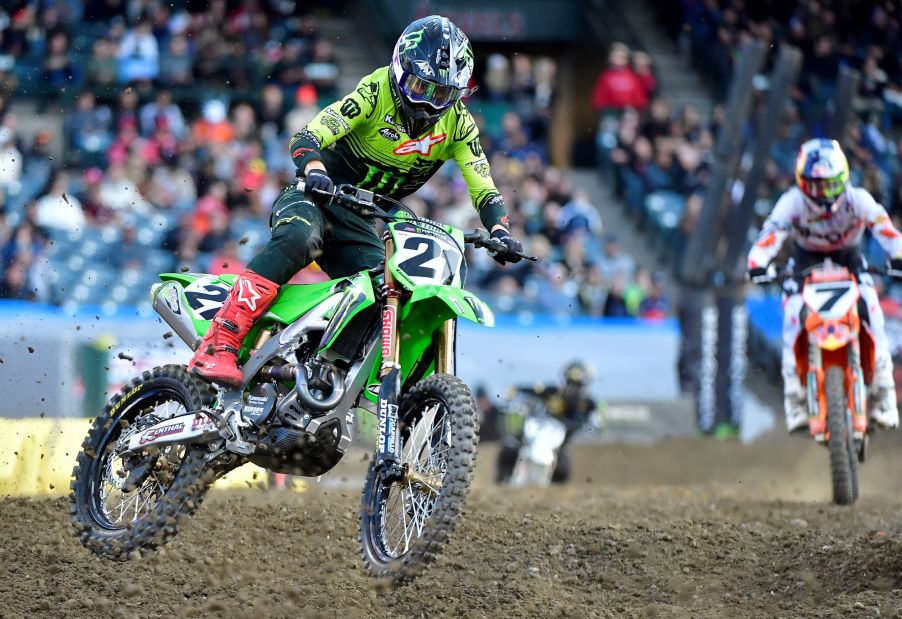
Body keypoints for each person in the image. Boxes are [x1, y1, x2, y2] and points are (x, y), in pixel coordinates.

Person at [190, 15, 524, 386]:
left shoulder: (459, 125)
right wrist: (316, 172)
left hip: (359, 218)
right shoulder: (376, 90)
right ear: (399, 72)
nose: (428, 106)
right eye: (419, 87)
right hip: (314, 196)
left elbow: (484, 186)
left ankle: (324, 374)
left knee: (385, 289)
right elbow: (307, 136)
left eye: (442, 95)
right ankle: (220, 342)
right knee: (300, 238)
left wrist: (500, 230)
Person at [747, 138, 902, 433]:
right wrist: (757, 262)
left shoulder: (859, 199)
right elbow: (771, 234)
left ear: (844, 178)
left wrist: (898, 255)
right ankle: (794, 399)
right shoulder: (791, 202)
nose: (825, 194)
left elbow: (886, 229)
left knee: (872, 311)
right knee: (792, 317)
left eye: (831, 185)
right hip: (805, 260)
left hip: (850, 258)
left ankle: (884, 395)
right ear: (802, 183)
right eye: (817, 186)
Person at [496, 361, 600, 483]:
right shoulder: (553, 392)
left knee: (563, 468)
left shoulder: (588, 404)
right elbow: (531, 390)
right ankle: (502, 480)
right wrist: (514, 390)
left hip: (559, 443)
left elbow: (584, 424)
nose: (573, 388)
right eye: (570, 383)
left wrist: (564, 423)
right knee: (509, 448)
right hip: (536, 432)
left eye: (578, 385)